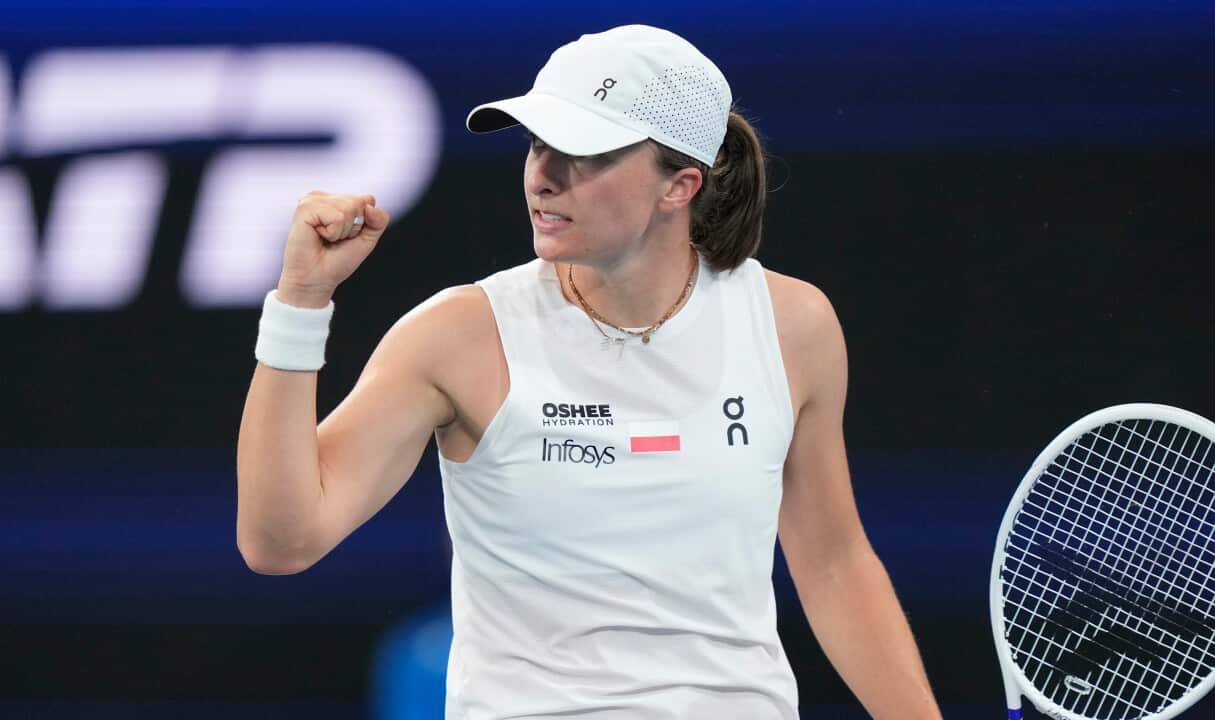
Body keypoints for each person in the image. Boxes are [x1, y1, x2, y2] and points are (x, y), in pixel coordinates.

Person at [236, 24, 943, 720]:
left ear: (680, 186)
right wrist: (301, 300)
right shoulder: (457, 335)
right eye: (537, 143)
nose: (542, 175)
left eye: (583, 152)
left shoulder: (793, 325)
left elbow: (833, 562)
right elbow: (281, 542)